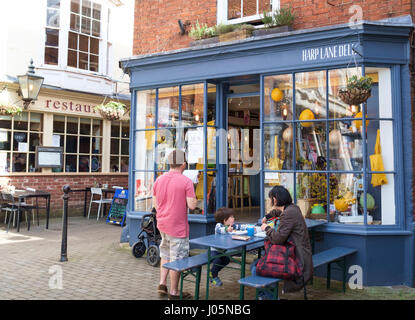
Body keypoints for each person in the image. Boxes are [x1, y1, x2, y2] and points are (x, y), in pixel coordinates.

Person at [251, 185, 313, 299]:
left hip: (298, 259)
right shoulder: (293, 208)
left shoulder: (288, 214)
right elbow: (279, 213)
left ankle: (269, 296)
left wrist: (266, 228)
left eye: (271, 199)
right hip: (299, 252)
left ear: (275, 199)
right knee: (258, 263)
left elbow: (278, 239)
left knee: (256, 266)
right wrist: (268, 215)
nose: (270, 201)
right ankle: (267, 295)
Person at [152, 149, 197, 300]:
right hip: (177, 227)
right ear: (183, 164)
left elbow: (155, 204)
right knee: (176, 259)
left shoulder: (159, 179)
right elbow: (191, 205)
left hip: (162, 224)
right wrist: (194, 199)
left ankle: (162, 284)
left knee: (165, 254)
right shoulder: (186, 181)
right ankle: (174, 291)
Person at [210, 207, 248, 286]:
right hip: (215, 250)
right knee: (217, 261)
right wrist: (227, 229)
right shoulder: (219, 225)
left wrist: (249, 227)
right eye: (231, 217)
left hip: (224, 250)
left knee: (226, 260)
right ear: (224, 220)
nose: (234, 218)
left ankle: (213, 272)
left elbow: (240, 227)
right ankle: (213, 275)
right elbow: (219, 230)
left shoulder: (232, 226)